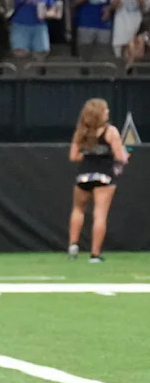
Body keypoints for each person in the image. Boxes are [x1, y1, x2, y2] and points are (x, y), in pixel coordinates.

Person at [68, 98, 129, 262]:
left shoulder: (81, 132)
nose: (108, 112)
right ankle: (95, 254)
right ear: (100, 113)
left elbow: (73, 156)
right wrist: (124, 156)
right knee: (100, 214)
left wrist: (89, 154)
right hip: (104, 176)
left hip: (84, 175)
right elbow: (119, 156)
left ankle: (73, 246)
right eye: (106, 109)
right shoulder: (111, 131)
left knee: (78, 209)